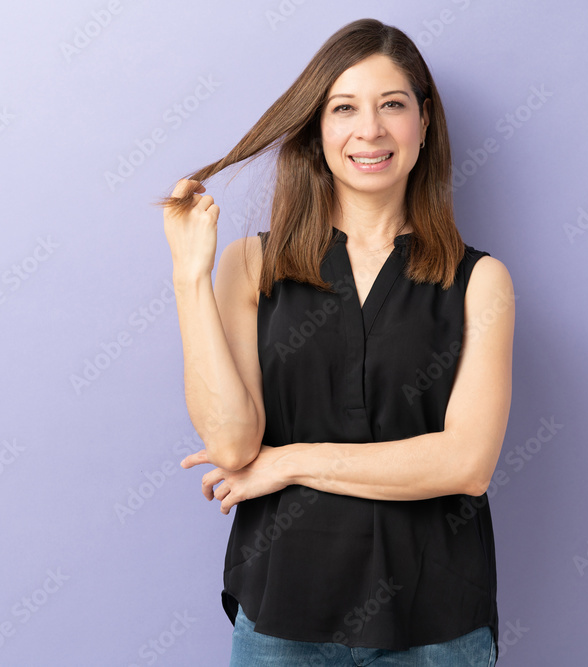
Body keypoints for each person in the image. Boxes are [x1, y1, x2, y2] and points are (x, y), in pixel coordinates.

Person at [156, 18, 514, 667]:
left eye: (393, 105)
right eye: (344, 108)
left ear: (424, 122)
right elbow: (235, 444)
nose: (369, 129)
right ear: (316, 130)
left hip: (434, 624)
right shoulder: (251, 265)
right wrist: (189, 278)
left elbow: (466, 463)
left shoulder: (479, 281)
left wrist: (288, 462)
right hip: (282, 618)